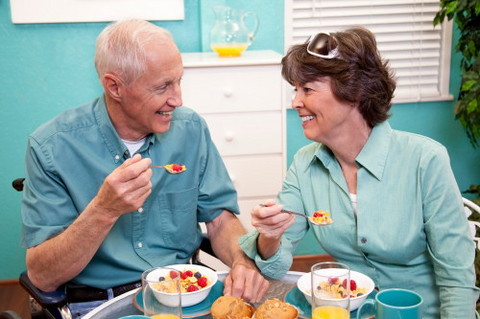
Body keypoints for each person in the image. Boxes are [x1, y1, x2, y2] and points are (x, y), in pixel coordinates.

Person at [20, 19, 269, 317]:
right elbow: (43, 276)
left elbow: (219, 218)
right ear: (115, 86)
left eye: (179, 81)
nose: (177, 99)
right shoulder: (51, 147)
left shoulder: (191, 130)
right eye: (163, 86)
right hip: (103, 304)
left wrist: (241, 261)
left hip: (187, 296)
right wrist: (104, 209)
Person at [239, 27, 479, 318]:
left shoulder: (425, 160)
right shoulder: (305, 164)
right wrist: (270, 234)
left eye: (308, 89)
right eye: (295, 90)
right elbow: (275, 267)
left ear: (353, 93)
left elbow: (457, 277)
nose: (295, 102)